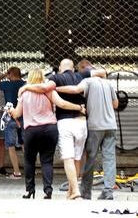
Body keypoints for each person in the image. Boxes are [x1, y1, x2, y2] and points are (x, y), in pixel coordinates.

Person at [18, 59, 107, 199]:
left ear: (60, 68)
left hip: (65, 122)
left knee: (68, 158)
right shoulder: (82, 75)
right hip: (82, 122)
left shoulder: (56, 78)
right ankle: (71, 191)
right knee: (78, 157)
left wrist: (26, 87)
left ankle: (75, 190)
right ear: (73, 68)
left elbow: (44, 89)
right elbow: (103, 72)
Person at [8, 68, 86, 199]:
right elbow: (62, 103)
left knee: (29, 161)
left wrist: (10, 110)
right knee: (47, 161)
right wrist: (79, 107)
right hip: (49, 129)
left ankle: (29, 190)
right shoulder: (49, 91)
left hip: (31, 131)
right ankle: (48, 190)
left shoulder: (24, 93)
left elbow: (16, 114)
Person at [56, 62, 118, 200]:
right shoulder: (108, 84)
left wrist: (56, 88)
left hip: (95, 126)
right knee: (109, 158)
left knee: (90, 158)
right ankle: (108, 191)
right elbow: (116, 104)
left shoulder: (87, 81)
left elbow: (75, 90)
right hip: (111, 126)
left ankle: (86, 192)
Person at [0, 67, 25, 179]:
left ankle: (16, 172)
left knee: (11, 145)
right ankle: (30, 170)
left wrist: (4, 75)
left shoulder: (7, 85)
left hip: (10, 117)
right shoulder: (25, 84)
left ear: (11, 74)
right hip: (23, 117)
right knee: (25, 145)